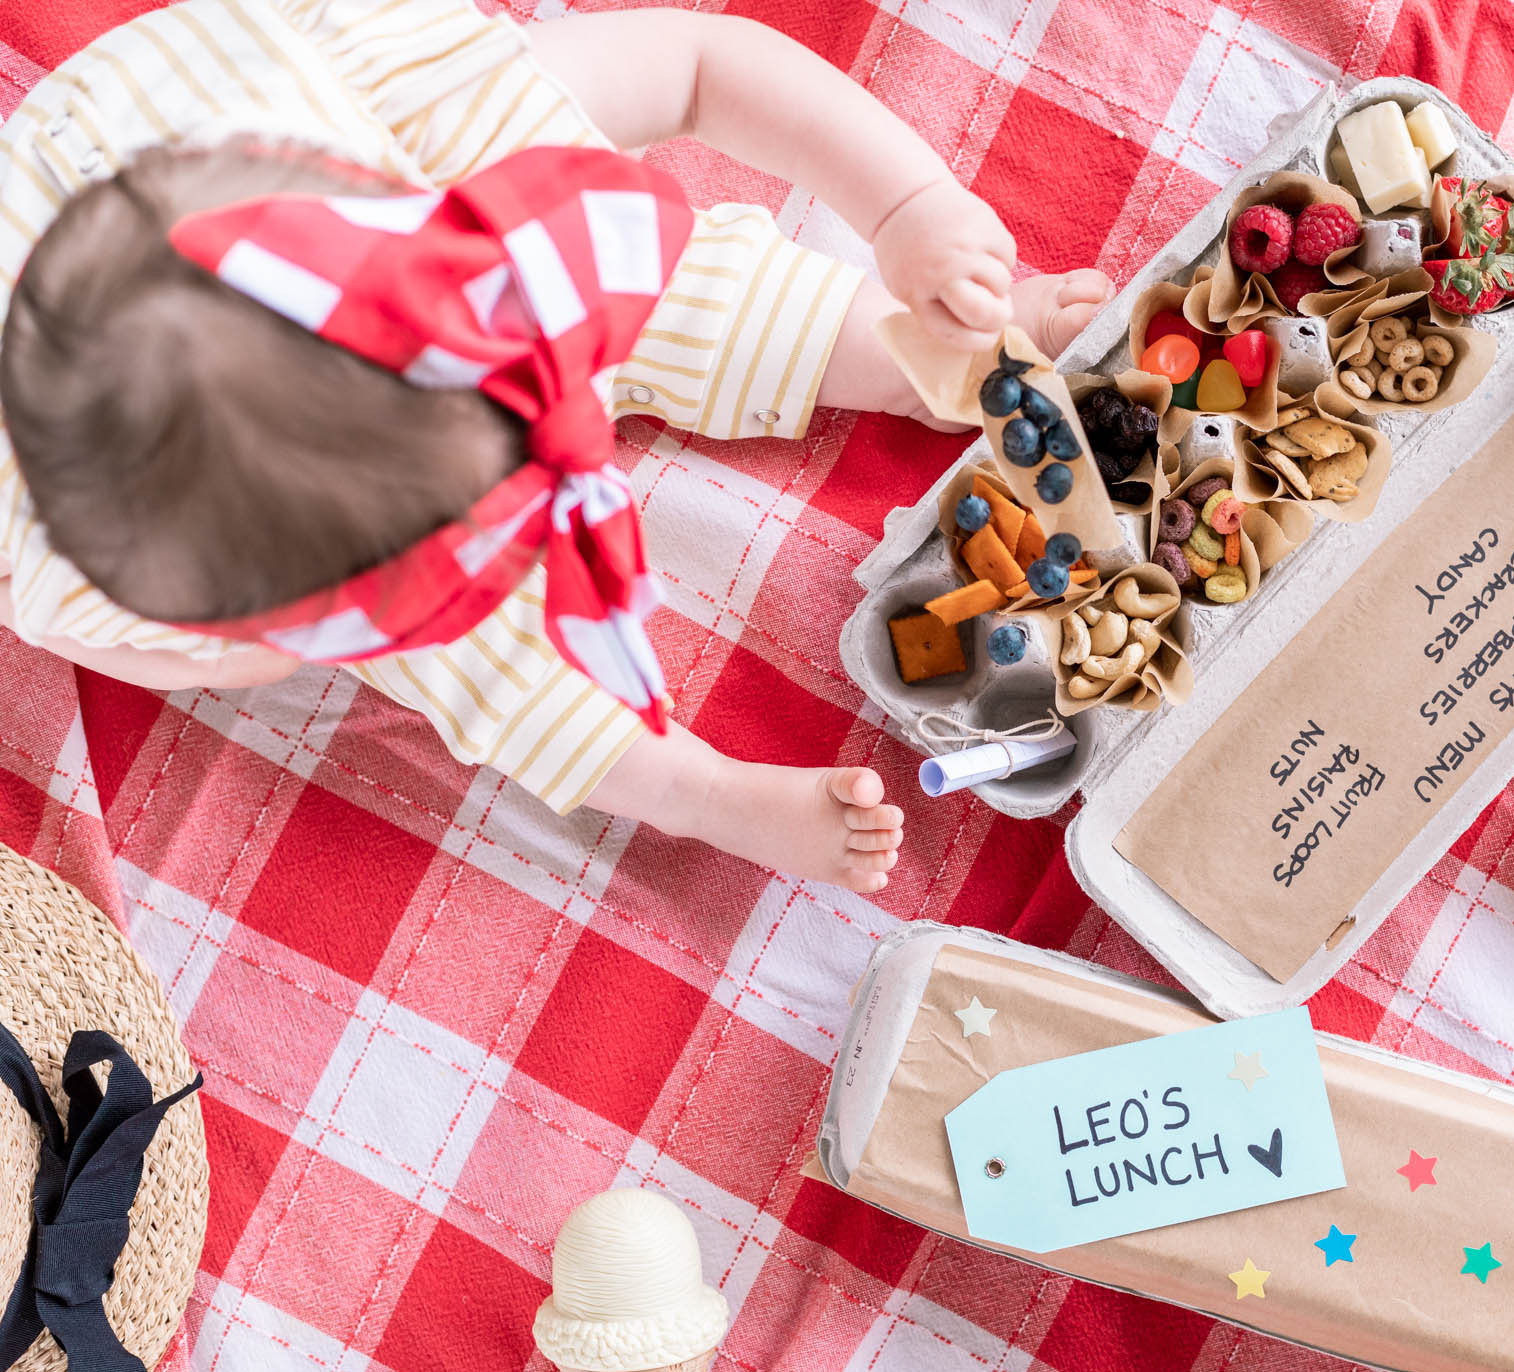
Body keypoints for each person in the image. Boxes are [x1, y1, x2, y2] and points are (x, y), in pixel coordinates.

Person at [0, 1, 1112, 896]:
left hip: (304, 154)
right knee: (480, 671)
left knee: (702, 298)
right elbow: (187, 648)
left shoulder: (419, 109)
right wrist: (300, 632)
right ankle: (698, 790)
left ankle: (939, 350)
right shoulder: (82, 571)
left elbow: (700, 65)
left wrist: (908, 207)